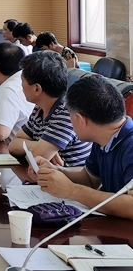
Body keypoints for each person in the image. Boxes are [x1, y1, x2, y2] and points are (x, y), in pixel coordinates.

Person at [29, 74, 133, 220]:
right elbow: (90, 179)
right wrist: (55, 170)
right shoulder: (103, 137)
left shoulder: (130, 145)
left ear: (80, 119)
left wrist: (72, 190)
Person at [8, 51, 91, 166]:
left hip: (67, 176)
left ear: (37, 89)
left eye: (23, 81)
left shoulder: (67, 114)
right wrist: (40, 145)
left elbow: (35, 161)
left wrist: (35, 148)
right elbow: (13, 146)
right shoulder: (40, 108)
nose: (21, 86)